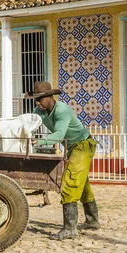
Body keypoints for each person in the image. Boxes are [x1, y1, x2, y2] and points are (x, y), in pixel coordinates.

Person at [25, 81, 101, 240]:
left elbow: (59, 135)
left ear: (50, 97)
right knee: (82, 185)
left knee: (70, 184)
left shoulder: (62, 111)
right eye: (36, 100)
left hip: (83, 145)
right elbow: (28, 122)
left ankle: (70, 228)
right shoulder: (40, 110)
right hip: (72, 148)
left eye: (41, 100)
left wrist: (40, 141)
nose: (38, 103)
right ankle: (93, 221)